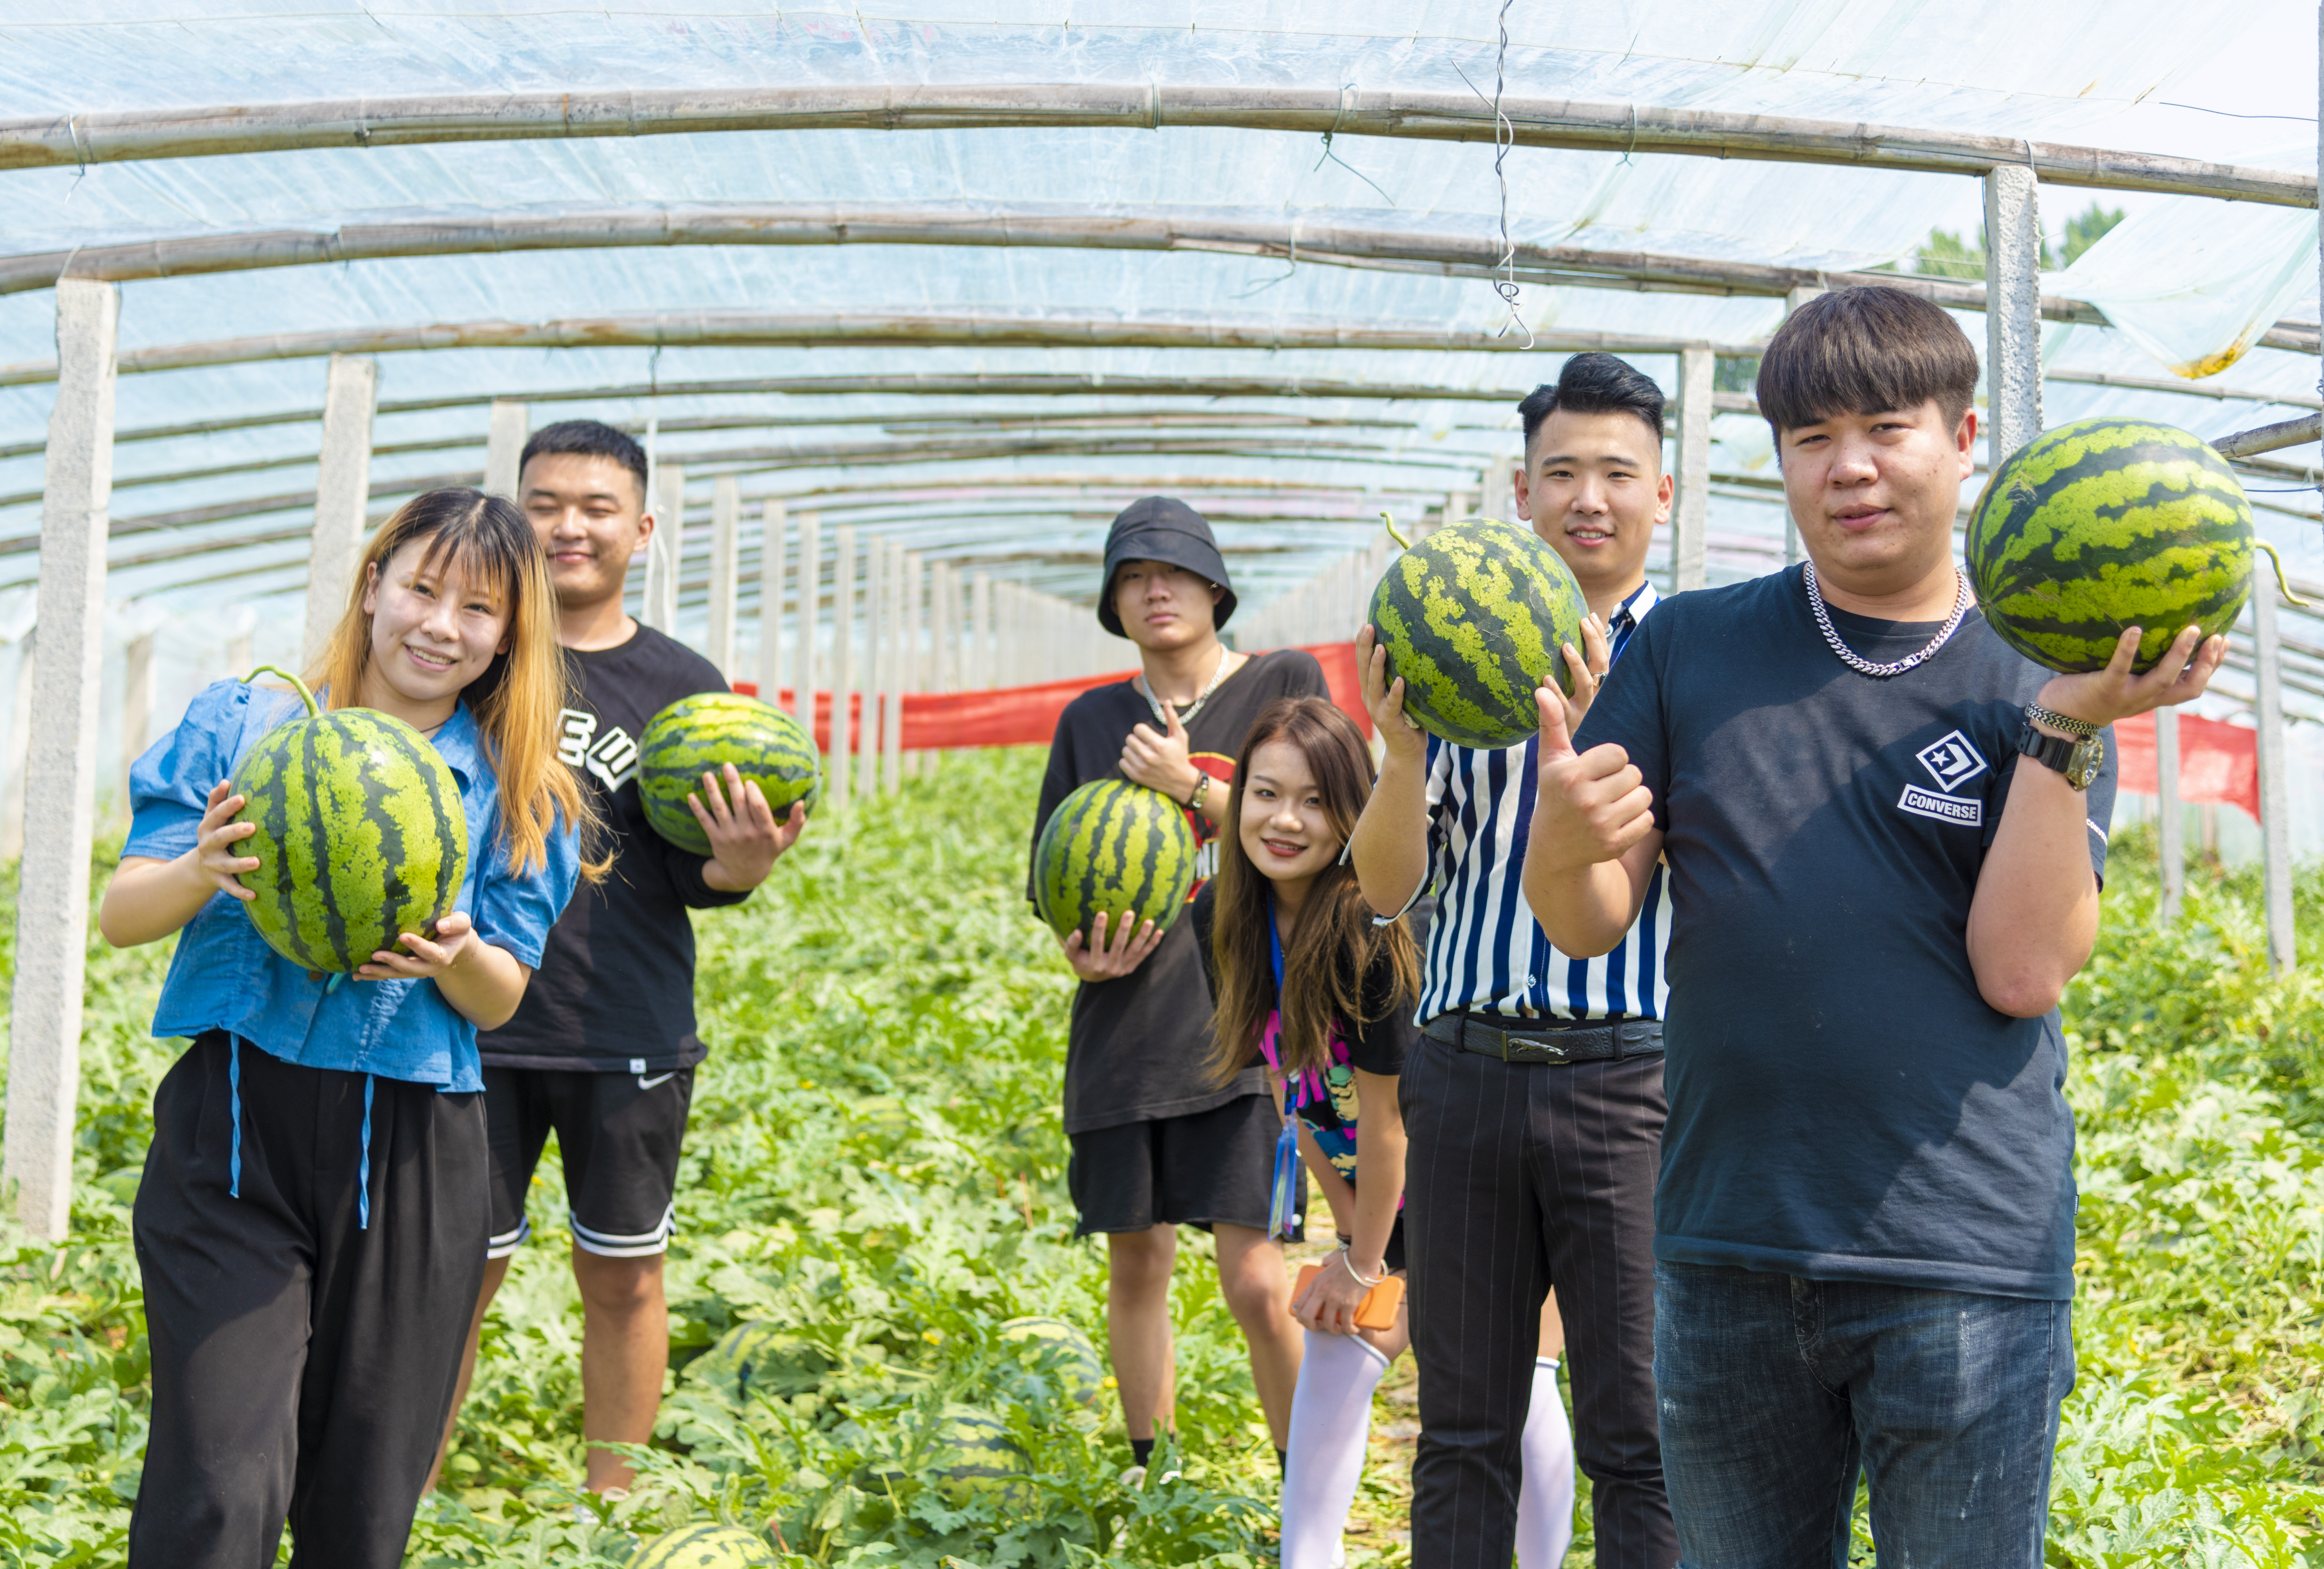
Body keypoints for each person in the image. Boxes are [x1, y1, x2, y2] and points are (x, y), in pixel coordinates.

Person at [1526, 286, 2224, 1562]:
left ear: (1964, 444)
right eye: (1810, 438)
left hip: (1963, 1254)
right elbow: (1588, 920)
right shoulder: (1688, 647)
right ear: (1779, 457)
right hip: (1729, 1239)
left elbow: (2021, 970)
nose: (1848, 468)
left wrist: (2066, 728)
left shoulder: (2050, 671)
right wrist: (1562, 842)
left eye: (1887, 429)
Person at [104, 488, 589, 1569]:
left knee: (364, 1503)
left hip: (413, 1143)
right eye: (421, 587)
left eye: (478, 608)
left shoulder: (518, 784)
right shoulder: (243, 723)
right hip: (233, 1127)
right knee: (217, 1482)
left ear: (510, 634)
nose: (440, 625)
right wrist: (200, 869)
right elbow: (121, 910)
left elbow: (502, 993)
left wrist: (454, 953)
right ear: (374, 584)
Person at [429, 420, 805, 1496]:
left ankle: (614, 1507)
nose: (568, 526)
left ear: (641, 529)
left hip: (627, 1020)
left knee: (626, 1275)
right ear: (512, 517)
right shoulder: (474, 652)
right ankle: (400, 1493)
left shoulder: (686, 683)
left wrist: (743, 865)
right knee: (454, 1276)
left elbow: (703, 879)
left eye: (595, 507)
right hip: (469, 1017)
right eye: (543, 503)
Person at [1348, 351, 1680, 1568]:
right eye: (1560, 473)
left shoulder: (1694, 660)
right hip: (1466, 1070)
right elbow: (1387, 890)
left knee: (1641, 1432)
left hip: (1632, 1082)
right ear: (1523, 494)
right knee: (1463, 1428)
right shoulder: (1449, 658)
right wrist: (1395, 748)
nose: (1588, 496)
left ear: (1665, 492)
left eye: (1617, 472)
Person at [1193, 695, 1576, 1569]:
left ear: (1355, 812)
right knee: (1339, 1360)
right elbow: (1302, 1095)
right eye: (1264, 793)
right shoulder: (1219, 918)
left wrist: (1367, 1262)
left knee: (1515, 1387)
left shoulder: (1369, 934)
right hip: (1382, 1196)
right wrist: (1350, 1238)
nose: (1283, 820)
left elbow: (1387, 1116)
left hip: (1477, 1179)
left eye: (1316, 801)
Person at [1029, 496, 1329, 1473]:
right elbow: (1054, 872)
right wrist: (1075, 946)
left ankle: (1304, 1480)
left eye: (1174, 572)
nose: (1154, 589)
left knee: (1252, 1279)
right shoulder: (1090, 718)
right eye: (1133, 576)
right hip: (1121, 1027)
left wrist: (1190, 785)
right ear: (1116, 601)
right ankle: (1147, 1471)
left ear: (1214, 587)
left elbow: (1327, 831)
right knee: (1137, 1260)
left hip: (1245, 1024)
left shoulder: (1283, 684)